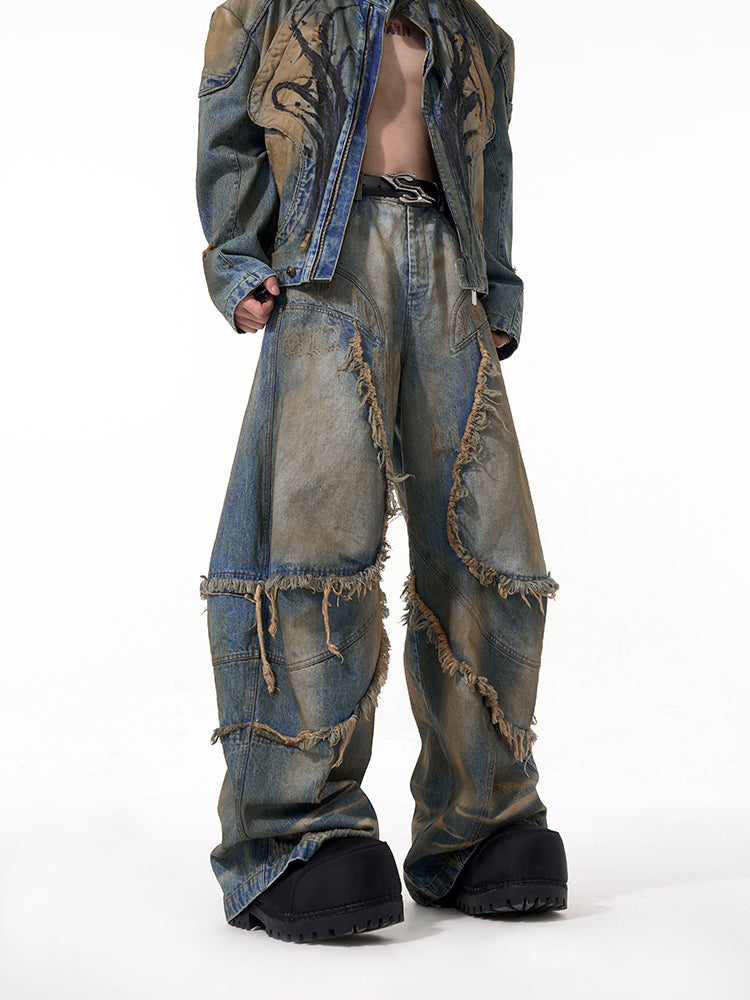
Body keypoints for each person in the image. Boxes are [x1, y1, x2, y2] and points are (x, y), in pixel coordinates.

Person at [196, 0, 568, 942]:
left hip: (447, 271)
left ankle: (482, 822)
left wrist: (499, 287)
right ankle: (295, 830)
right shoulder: (264, 12)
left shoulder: (476, 35)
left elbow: (491, 166)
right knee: (313, 543)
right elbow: (228, 131)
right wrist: (237, 261)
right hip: (327, 272)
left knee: (486, 542)